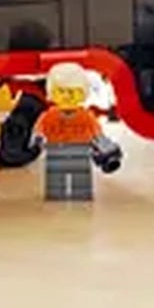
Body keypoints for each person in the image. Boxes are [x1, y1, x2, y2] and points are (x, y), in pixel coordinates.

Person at [37, 60, 121, 204]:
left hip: (80, 151)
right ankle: (57, 194)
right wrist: (37, 140)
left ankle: (80, 193)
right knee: (56, 177)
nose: (67, 96)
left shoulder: (86, 116)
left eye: (73, 92)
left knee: (80, 177)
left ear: (83, 92)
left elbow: (97, 133)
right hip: (55, 151)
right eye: (61, 91)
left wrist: (104, 146)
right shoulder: (49, 115)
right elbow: (39, 129)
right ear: (52, 92)